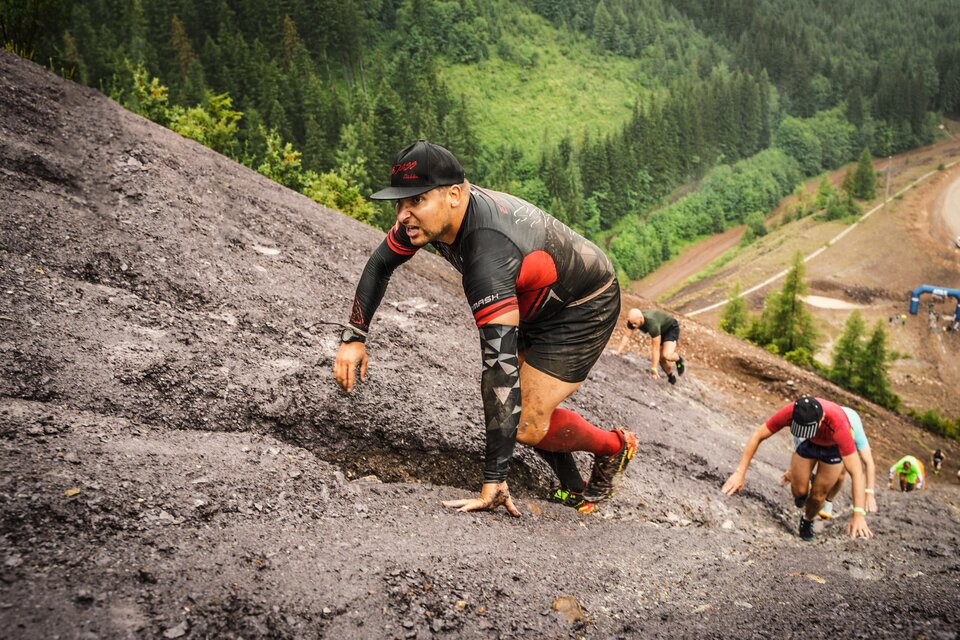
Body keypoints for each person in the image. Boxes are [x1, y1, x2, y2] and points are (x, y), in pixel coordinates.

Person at [333, 140, 638, 517]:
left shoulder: (486, 253)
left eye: (416, 201)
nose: (403, 215)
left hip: (583, 304)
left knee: (523, 418)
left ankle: (614, 447)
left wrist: (494, 480)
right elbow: (380, 263)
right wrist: (354, 337)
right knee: (521, 406)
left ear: (455, 195)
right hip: (534, 294)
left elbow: (499, 367)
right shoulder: (434, 219)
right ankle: (574, 488)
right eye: (400, 203)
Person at [721, 396, 873, 541]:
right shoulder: (791, 412)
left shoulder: (839, 424)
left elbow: (857, 473)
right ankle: (802, 493)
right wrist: (739, 473)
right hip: (807, 444)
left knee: (818, 496)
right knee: (799, 491)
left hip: (832, 449)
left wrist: (858, 514)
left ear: (822, 419)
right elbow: (758, 435)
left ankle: (807, 520)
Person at [780, 406, 877, 519]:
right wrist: (791, 469)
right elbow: (797, 444)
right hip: (830, 426)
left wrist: (870, 493)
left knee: (840, 475)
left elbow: (869, 462)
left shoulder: (855, 432)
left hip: (841, 435)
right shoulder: (814, 420)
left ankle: (828, 501)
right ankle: (809, 483)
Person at [614, 308, 685, 385]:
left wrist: (654, 368)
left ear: (641, 318)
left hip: (670, 328)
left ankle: (679, 360)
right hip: (660, 329)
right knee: (661, 358)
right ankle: (671, 376)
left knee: (666, 355)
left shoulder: (652, 324)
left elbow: (655, 349)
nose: (633, 325)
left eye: (635, 323)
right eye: (631, 323)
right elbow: (626, 336)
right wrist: (618, 352)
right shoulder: (633, 321)